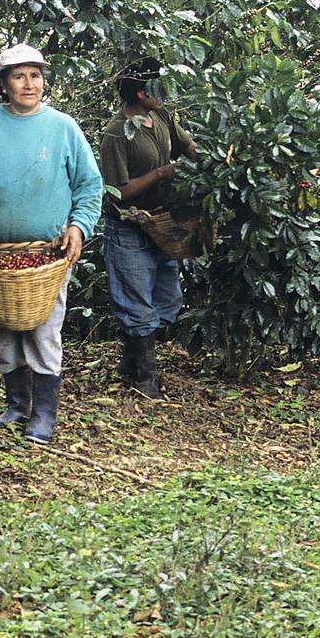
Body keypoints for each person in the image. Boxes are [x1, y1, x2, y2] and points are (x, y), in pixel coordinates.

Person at [0, 43, 103, 443]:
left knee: (44, 331)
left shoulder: (63, 128)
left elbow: (89, 185)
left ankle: (44, 413)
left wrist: (78, 227)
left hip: (48, 254)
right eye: (19, 76)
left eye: (36, 75)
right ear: (4, 84)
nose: (29, 84)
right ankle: (17, 403)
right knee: (3, 332)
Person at [97, 56, 197, 399]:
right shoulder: (116, 134)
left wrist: (220, 159)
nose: (163, 93)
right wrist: (159, 174)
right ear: (140, 93)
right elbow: (116, 193)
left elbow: (187, 146)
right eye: (157, 87)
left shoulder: (161, 115)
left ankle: (129, 361)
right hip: (129, 227)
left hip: (162, 223)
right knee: (137, 303)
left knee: (169, 300)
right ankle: (145, 379)